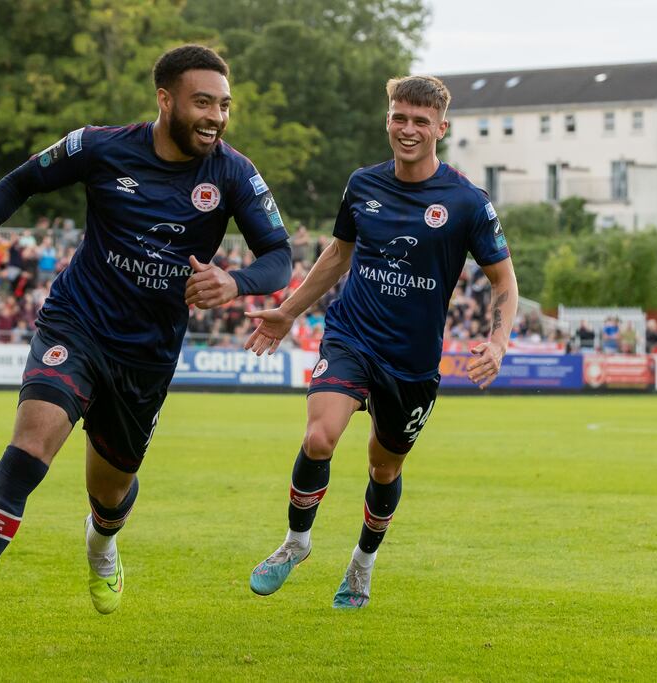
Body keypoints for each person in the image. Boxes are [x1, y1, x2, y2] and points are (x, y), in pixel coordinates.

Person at [0, 44, 292, 662]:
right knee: (28, 450)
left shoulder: (233, 173)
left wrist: (236, 281)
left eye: (224, 105)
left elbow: (276, 253)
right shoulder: (99, 146)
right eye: (203, 102)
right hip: (77, 322)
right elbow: (21, 181)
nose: (216, 116)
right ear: (165, 100)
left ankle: (102, 542)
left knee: (110, 491)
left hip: (146, 353)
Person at [242, 75, 518, 609]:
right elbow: (338, 255)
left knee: (383, 468)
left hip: (411, 361)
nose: (407, 129)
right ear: (387, 119)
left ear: (441, 126)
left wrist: (498, 342)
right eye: (398, 117)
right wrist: (288, 310)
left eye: (420, 121)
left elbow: (503, 280)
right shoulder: (362, 185)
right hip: (352, 335)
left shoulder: (467, 202)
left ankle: (362, 564)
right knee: (320, 438)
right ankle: (295, 544)